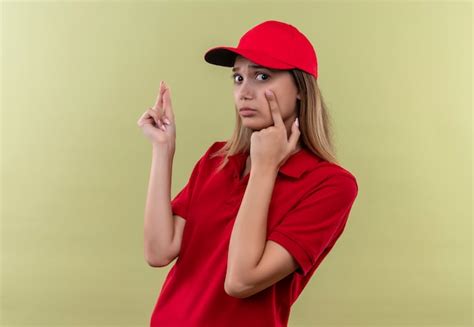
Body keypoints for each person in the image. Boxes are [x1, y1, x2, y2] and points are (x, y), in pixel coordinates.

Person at [137, 20, 359, 327]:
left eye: (262, 76)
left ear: (300, 89)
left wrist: (265, 168)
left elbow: (241, 281)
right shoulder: (218, 159)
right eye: (238, 78)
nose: (244, 91)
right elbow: (159, 251)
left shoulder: (330, 185)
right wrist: (163, 150)